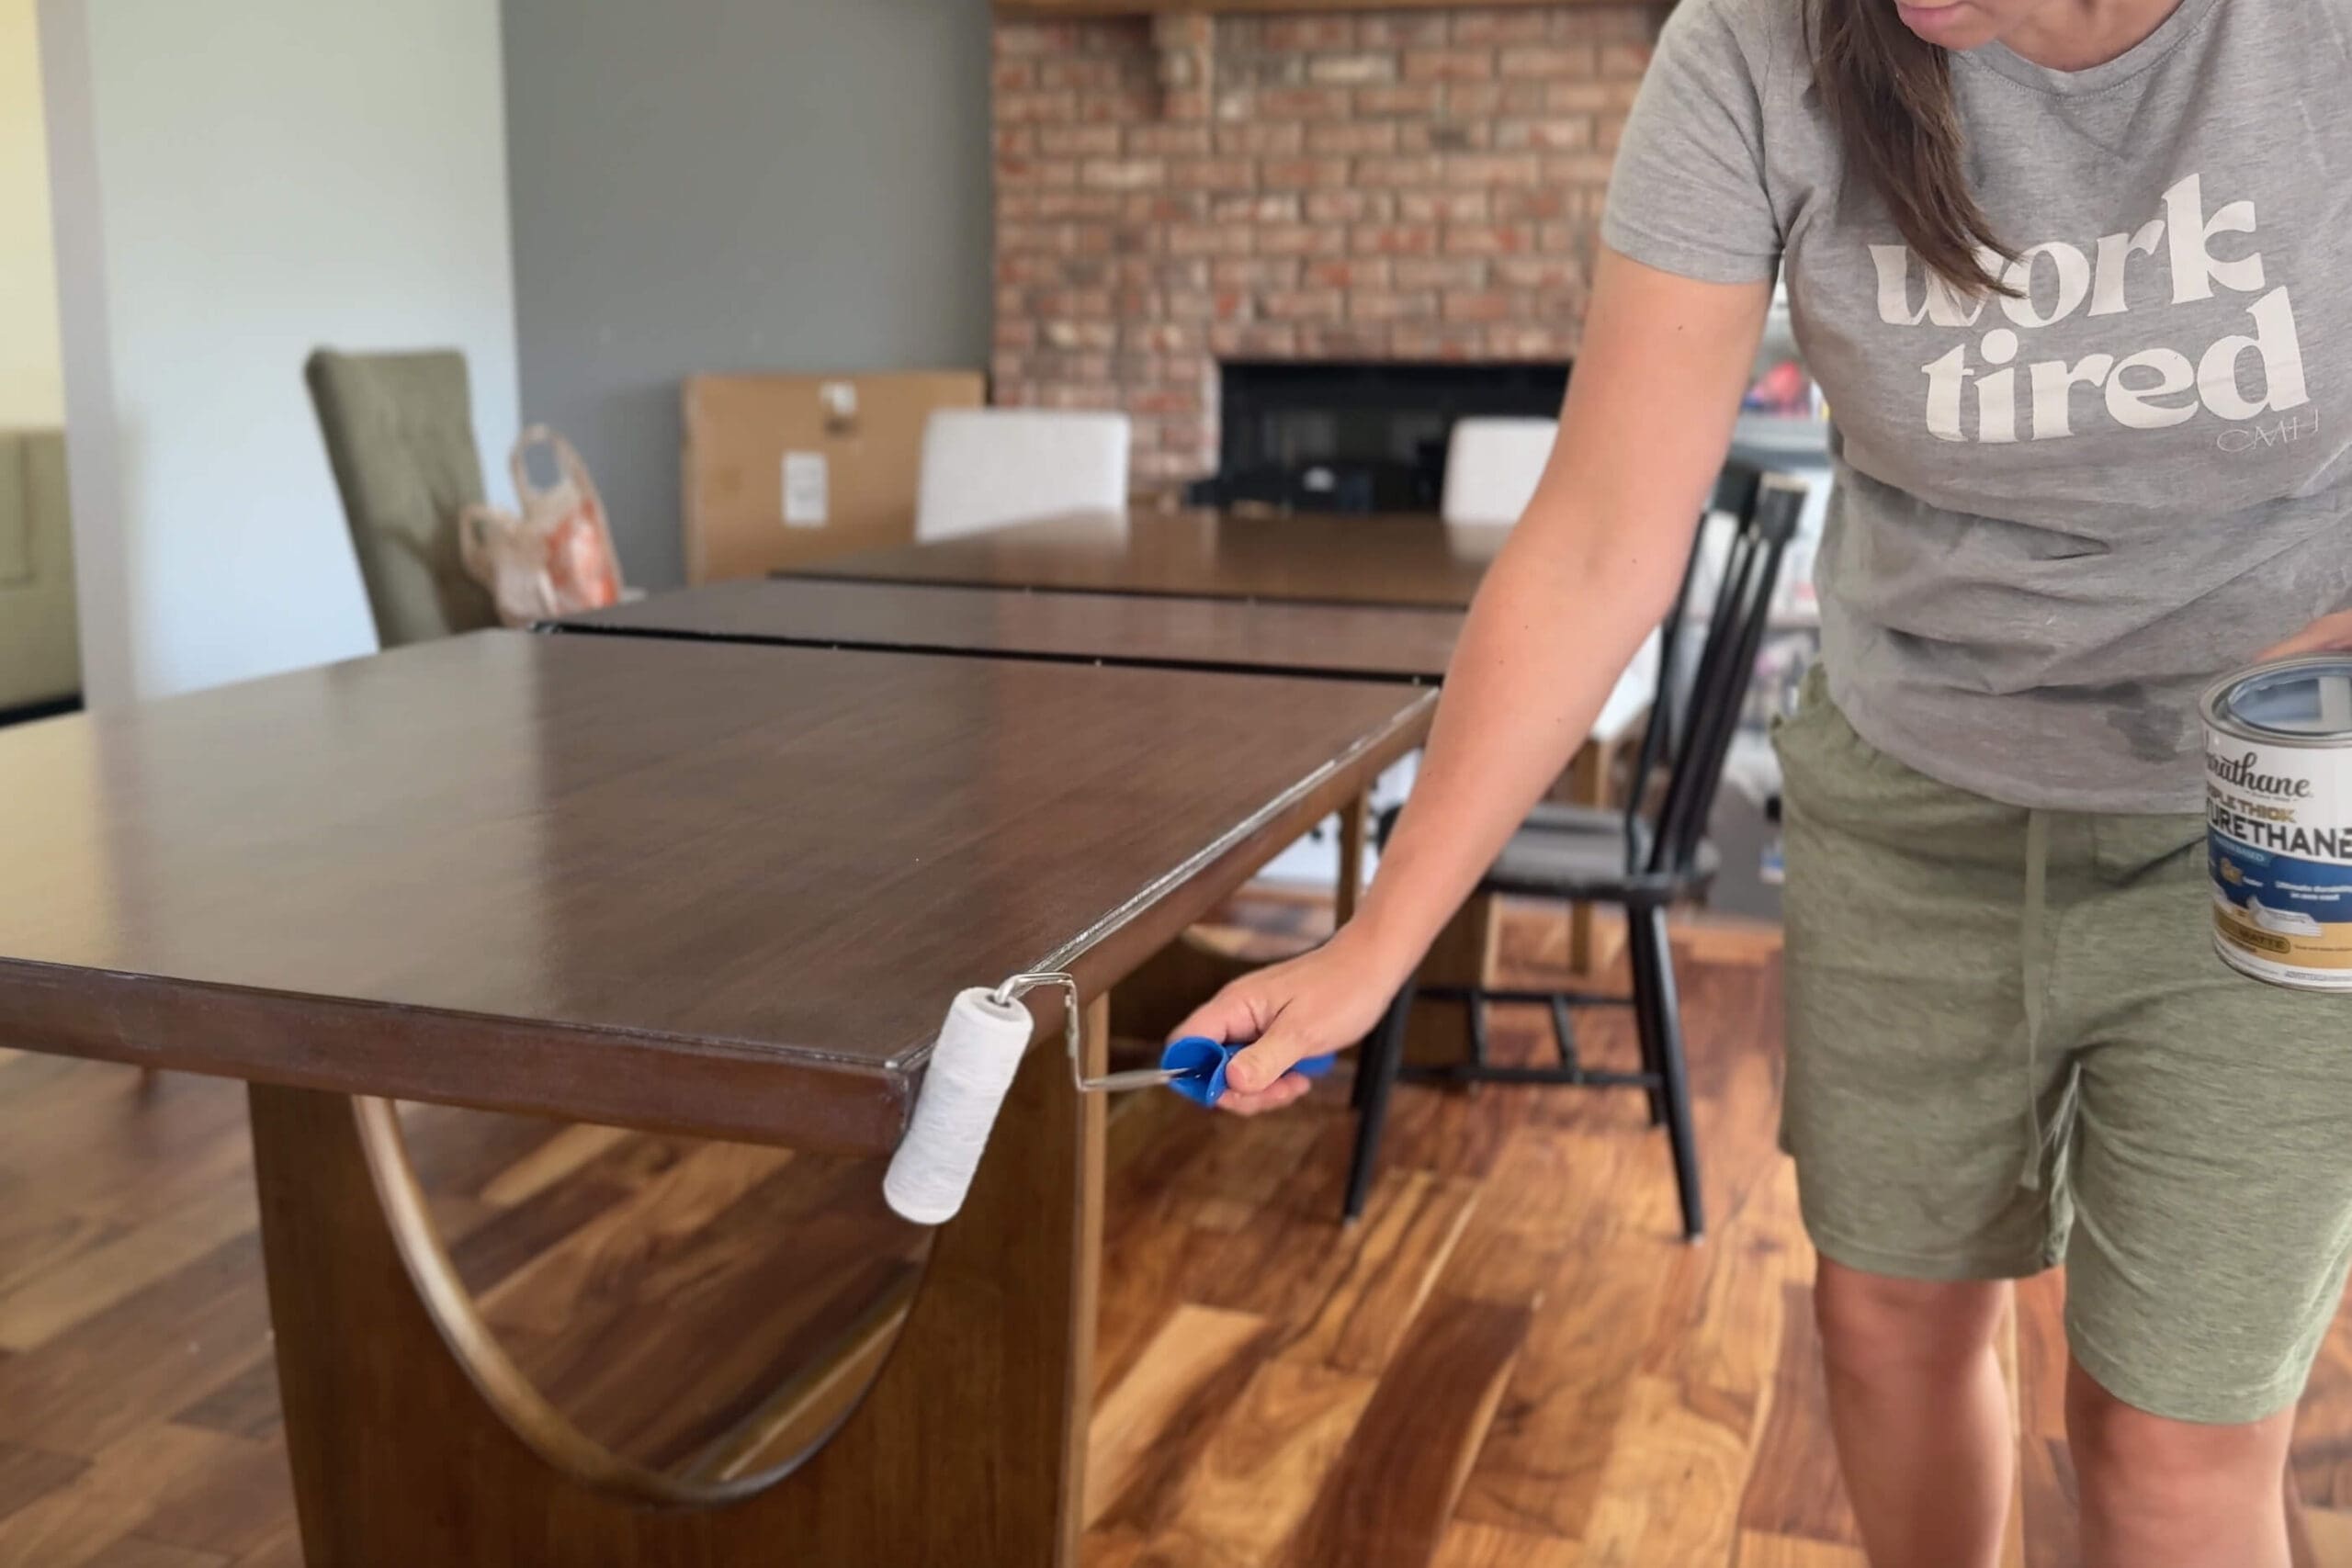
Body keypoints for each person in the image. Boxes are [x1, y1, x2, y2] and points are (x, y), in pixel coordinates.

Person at [1171, 1, 2352, 1563]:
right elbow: (1600, 539)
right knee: (1885, 1327)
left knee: (2167, 1441)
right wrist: (1376, 942)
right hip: (1913, 795)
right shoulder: (1748, 47)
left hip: (2268, 826)